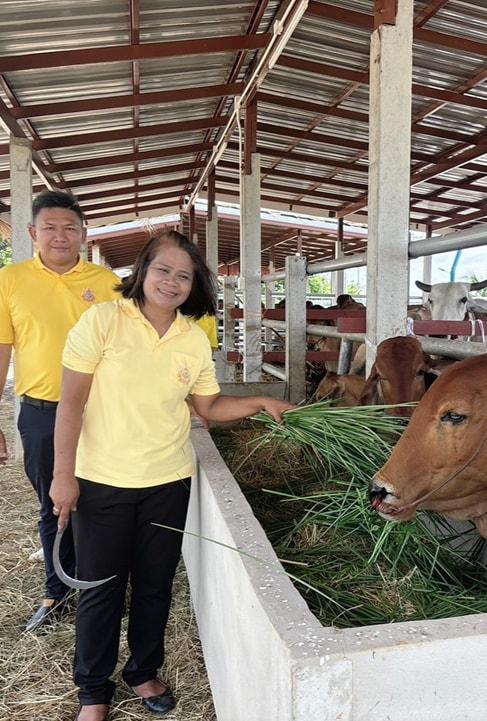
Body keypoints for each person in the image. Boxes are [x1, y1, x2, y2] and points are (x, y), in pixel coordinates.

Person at [50, 230, 295, 721]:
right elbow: (70, 402)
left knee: (155, 583)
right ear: (142, 270)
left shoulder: (192, 338)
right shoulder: (102, 320)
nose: (172, 282)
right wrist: (64, 475)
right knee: (102, 587)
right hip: (102, 479)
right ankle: (93, 692)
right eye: (163, 270)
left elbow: (208, 406)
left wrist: (260, 401)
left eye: (184, 276)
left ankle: (142, 671)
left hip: (168, 479)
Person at [0, 190, 120, 633]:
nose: (60, 236)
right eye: (50, 228)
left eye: (69, 228)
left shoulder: (108, 282)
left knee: (101, 500)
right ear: (32, 233)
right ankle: (57, 591)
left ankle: (104, 589)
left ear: (84, 233)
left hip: (102, 410)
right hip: (41, 411)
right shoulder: (10, 280)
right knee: (54, 502)